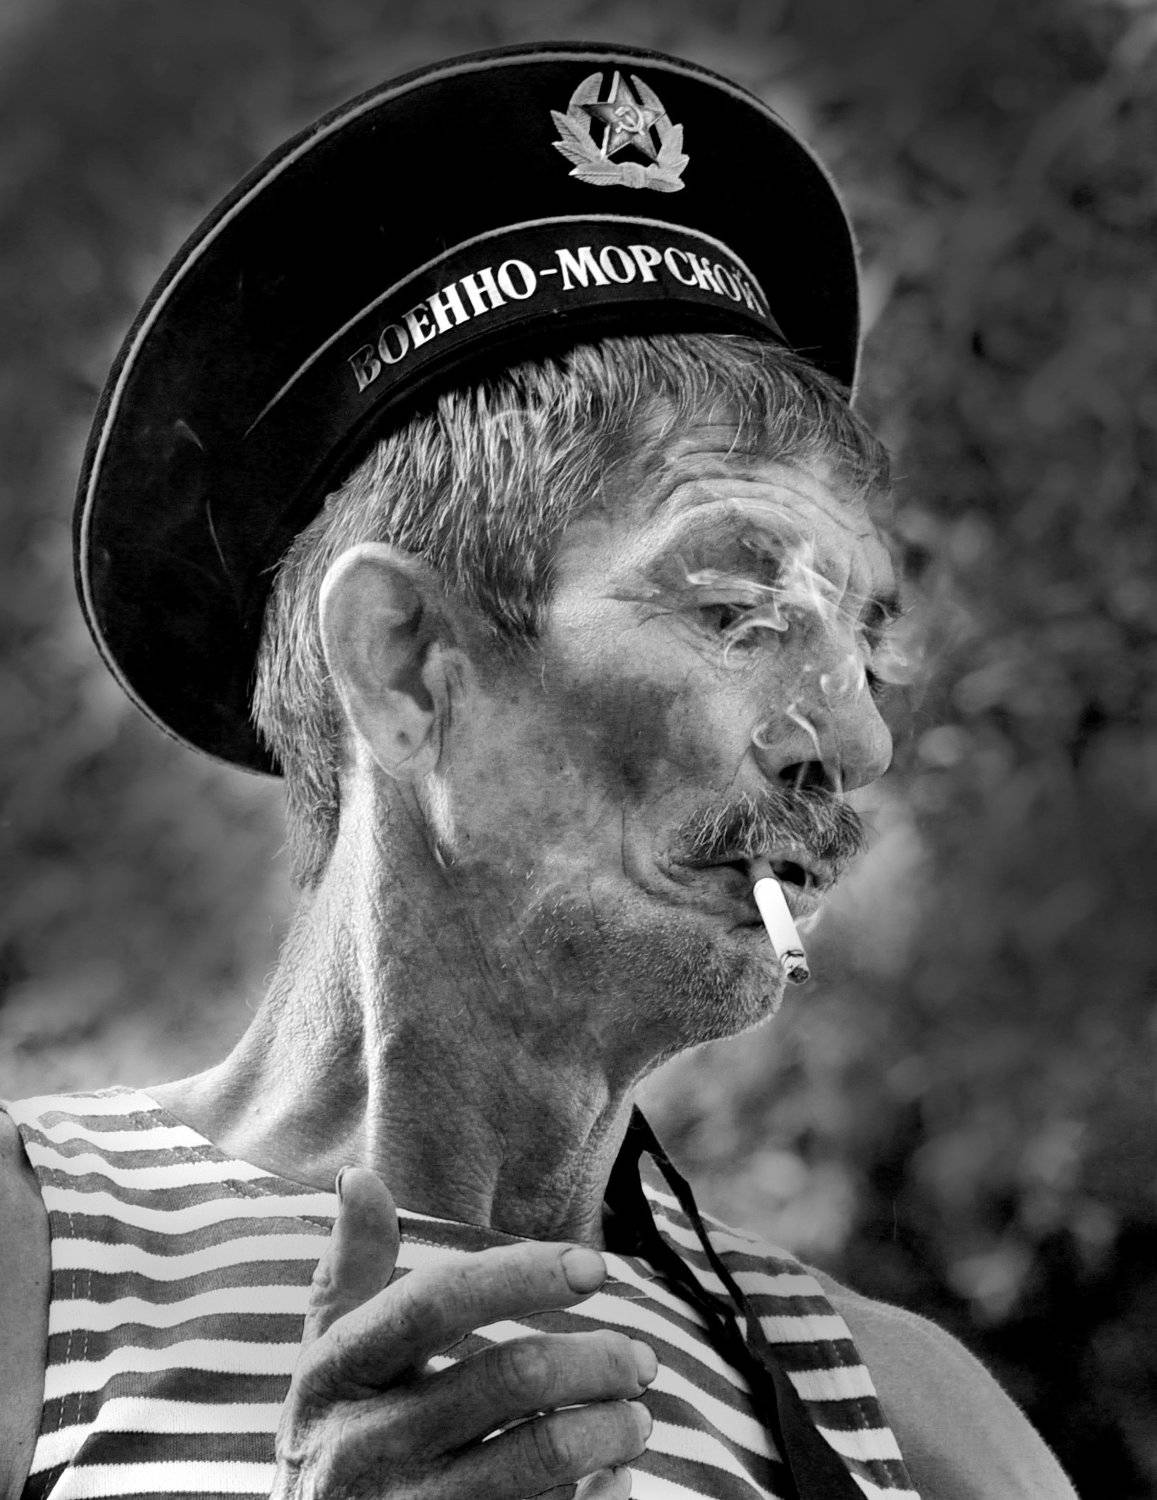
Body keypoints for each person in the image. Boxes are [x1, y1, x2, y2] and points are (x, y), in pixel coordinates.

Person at [0, 42, 1076, 1500]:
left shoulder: (919, 1424)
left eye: (864, 640)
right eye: (734, 608)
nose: (856, 740)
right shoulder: (35, 1260)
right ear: (408, 665)